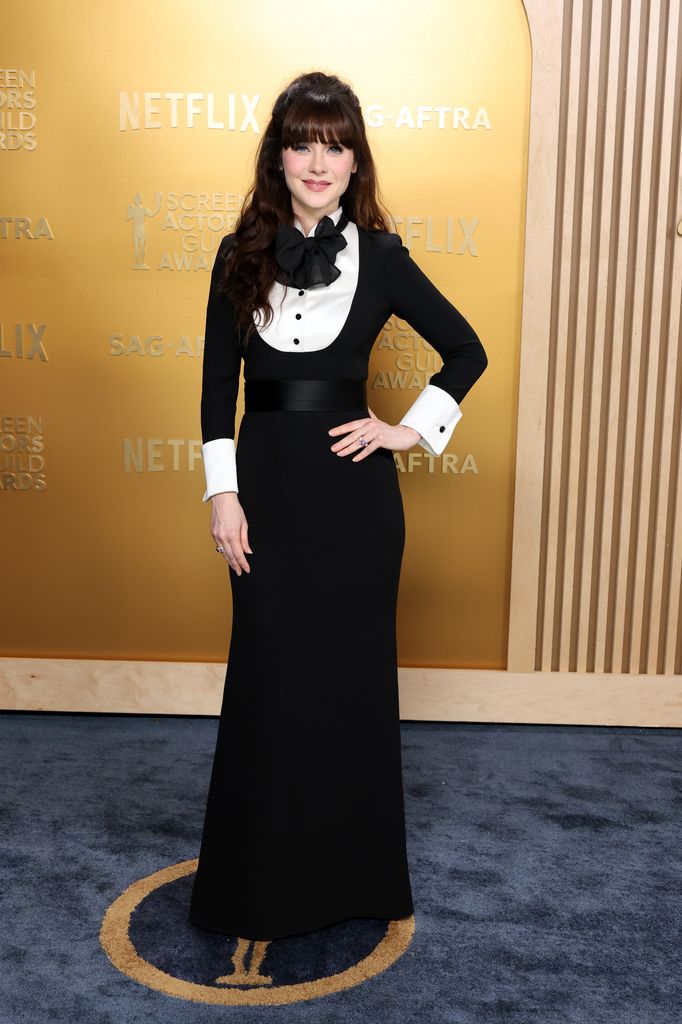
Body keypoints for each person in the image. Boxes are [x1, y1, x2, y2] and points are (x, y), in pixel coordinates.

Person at [188, 70, 487, 941]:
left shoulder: (384, 257)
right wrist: (222, 496)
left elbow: (465, 350)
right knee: (270, 686)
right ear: (277, 154)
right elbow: (216, 394)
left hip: (355, 510)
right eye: (302, 142)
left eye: (335, 145)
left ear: (355, 160)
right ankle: (259, 884)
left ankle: (351, 881)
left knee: (348, 689)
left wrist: (406, 432)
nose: (318, 162)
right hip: (266, 498)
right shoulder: (236, 252)